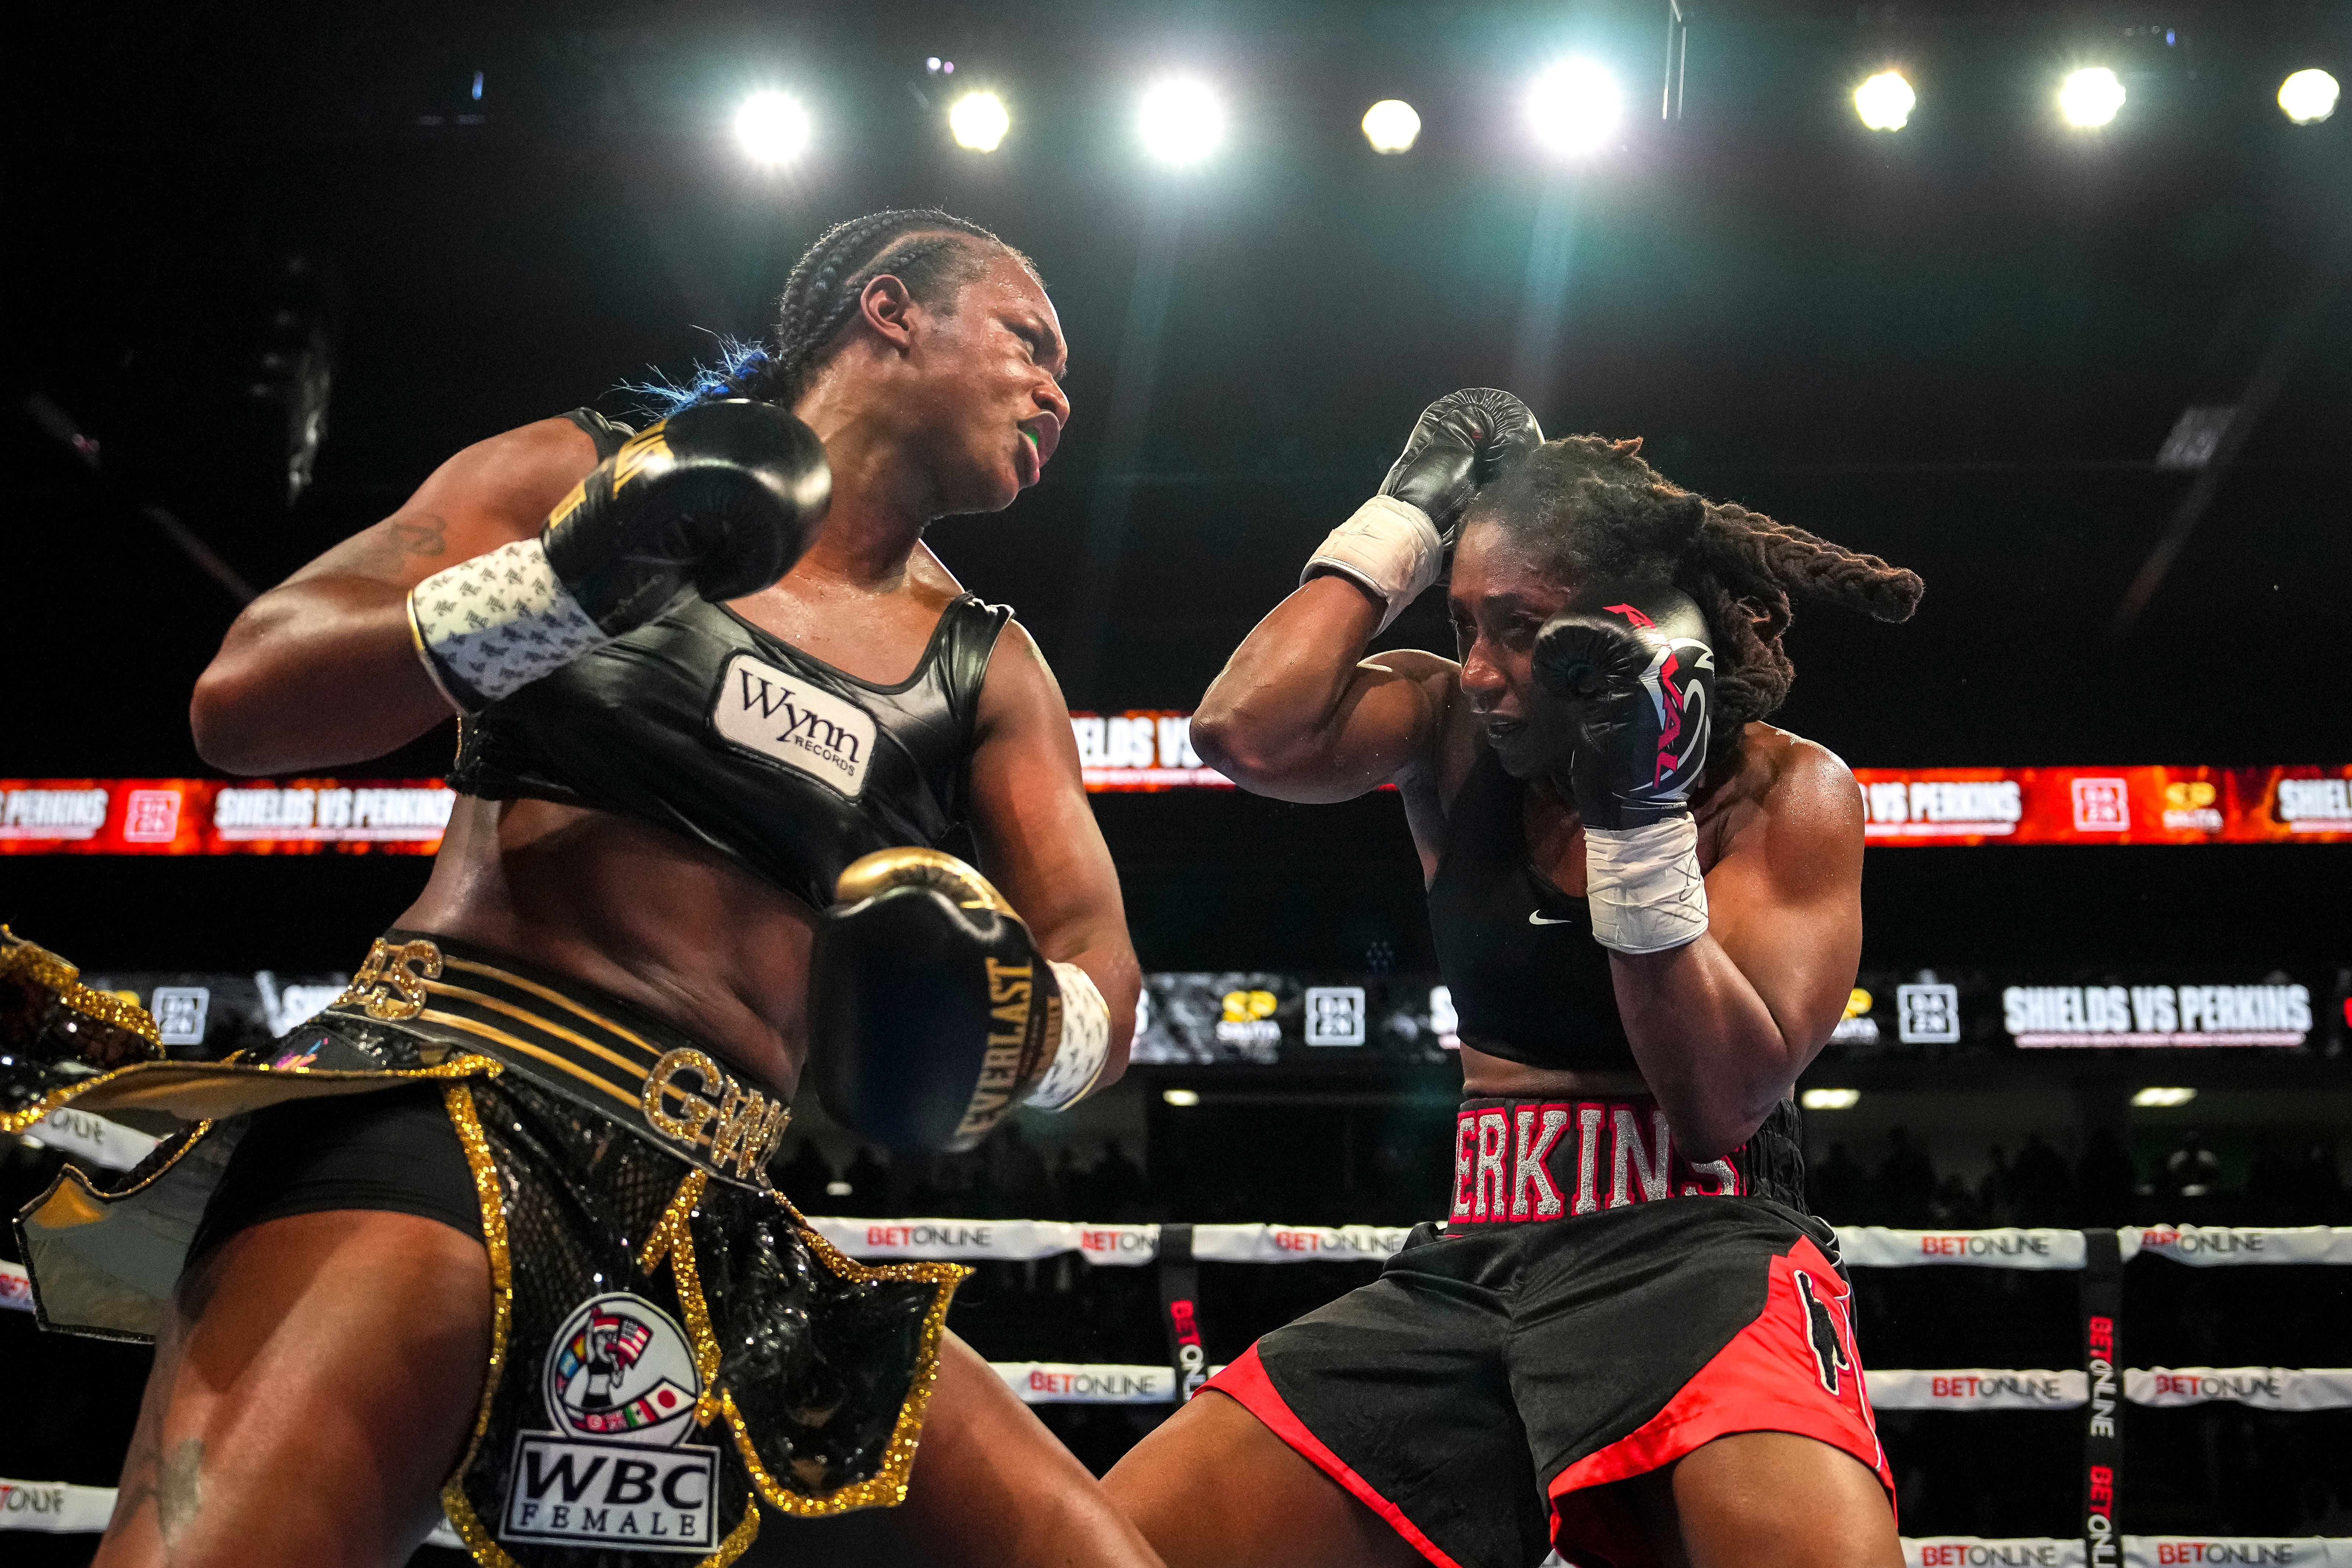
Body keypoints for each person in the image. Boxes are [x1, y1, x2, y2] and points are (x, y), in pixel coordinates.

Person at [4, 210, 1160, 1568]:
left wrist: (1018, 1027)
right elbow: (245, 698)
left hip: (722, 1204)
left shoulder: (988, 664)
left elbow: (1101, 960)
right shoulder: (597, 469)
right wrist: (565, 581)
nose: (1059, 392)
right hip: (450, 1110)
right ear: (890, 310)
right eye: (1031, 342)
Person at [1103, 391, 1924, 1568]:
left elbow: (1716, 1104)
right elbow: (1245, 731)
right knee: (1110, 1543)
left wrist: (1638, 823)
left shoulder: (1781, 790)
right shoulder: (1447, 724)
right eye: (1463, 622)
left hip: (1694, 1252)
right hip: (1473, 1261)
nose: (1480, 670)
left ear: (1628, 632)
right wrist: (1402, 515)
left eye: (1520, 629)